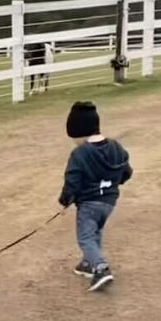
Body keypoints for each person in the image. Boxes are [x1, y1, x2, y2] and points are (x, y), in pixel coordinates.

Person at [57, 101, 133, 292]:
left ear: (80, 132)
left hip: (89, 204)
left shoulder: (80, 153)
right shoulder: (116, 147)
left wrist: (66, 199)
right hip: (109, 202)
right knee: (95, 231)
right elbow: (127, 171)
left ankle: (100, 268)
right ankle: (87, 263)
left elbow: (72, 179)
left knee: (85, 237)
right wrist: (114, 183)